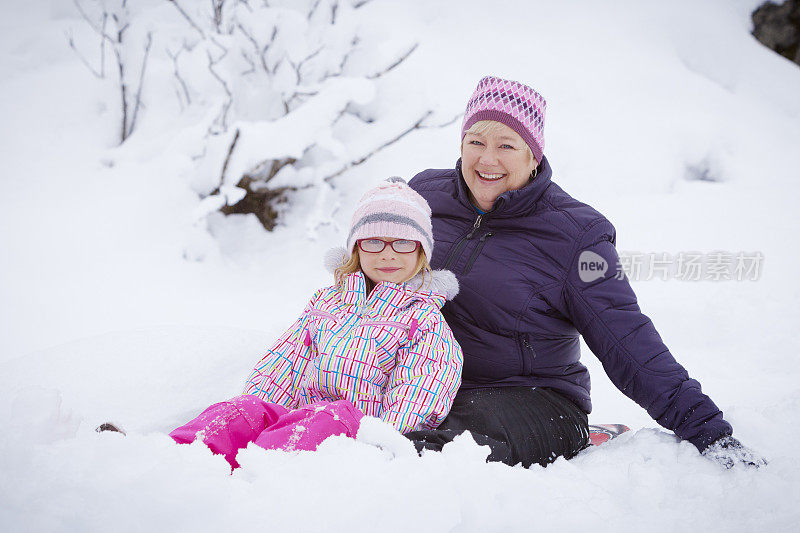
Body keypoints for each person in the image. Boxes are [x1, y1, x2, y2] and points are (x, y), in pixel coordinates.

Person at [405, 75, 766, 469]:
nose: (487, 160)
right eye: (476, 142)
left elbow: (628, 340)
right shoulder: (424, 195)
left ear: (533, 154)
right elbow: (371, 274)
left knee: (435, 454)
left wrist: (709, 433)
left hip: (530, 397)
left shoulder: (578, 236)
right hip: (421, 381)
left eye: (506, 145)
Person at [170, 178, 463, 468]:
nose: (387, 253)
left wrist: (377, 443)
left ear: (421, 251)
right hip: (294, 423)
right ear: (357, 248)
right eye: (374, 241)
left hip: (352, 435)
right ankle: (174, 460)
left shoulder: (423, 320)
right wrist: (257, 414)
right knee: (241, 409)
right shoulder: (326, 303)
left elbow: (420, 392)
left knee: (327, 415)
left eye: (402, 243)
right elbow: (285, 363)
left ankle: (260, 474)